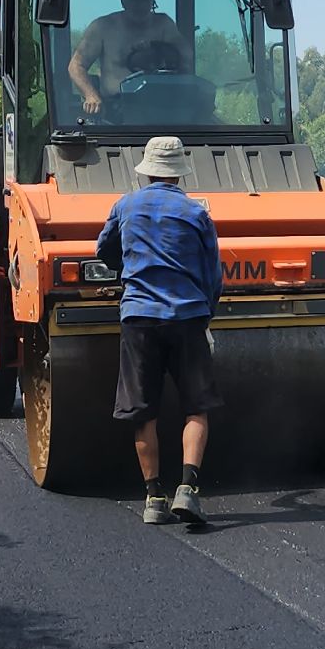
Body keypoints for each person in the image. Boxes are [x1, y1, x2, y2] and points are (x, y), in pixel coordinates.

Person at [95, 135, 223, 524]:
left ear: (147, 171)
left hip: (139, 320)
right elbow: (213, 274)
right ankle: (188, 489)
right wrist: (205, 314)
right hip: (186, 317)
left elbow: (104, 251)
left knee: (143, 412)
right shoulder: (196, 213)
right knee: (196, 408)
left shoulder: (125, 206)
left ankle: (153, 498)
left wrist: (131, 265)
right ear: (179, 173)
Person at [67, 0, 192, 116]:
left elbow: (186, 57)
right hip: (116, 112)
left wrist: (157, 50)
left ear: (152, 1)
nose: (140, 5)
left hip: (161, 108)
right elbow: (76, 66)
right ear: (123, 1)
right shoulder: (103, 27)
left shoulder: (164, 24)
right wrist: (90, 95)